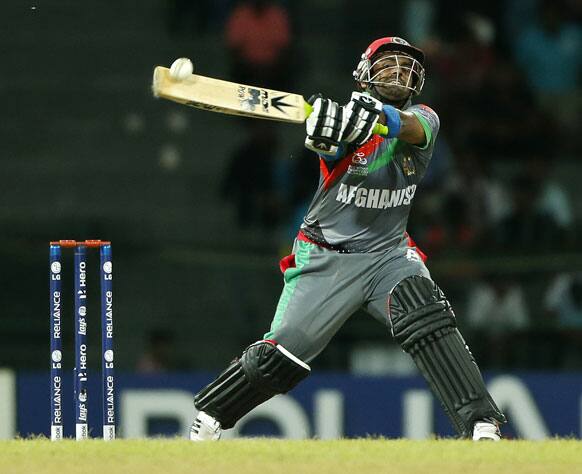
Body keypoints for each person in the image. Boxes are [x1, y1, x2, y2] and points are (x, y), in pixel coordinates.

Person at [189, 37, 506, 442]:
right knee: (283, 355)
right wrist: (327, 132)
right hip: (325, 258)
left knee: (426, 315)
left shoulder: (424, 117)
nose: (397, 72)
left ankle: (481, 424)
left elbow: (411, 128)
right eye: (387, 64)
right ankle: (211, 416)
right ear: (365, 74)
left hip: (388, 254)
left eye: (405, 66)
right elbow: (330, 145)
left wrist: (381, 117)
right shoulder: (345, 123)